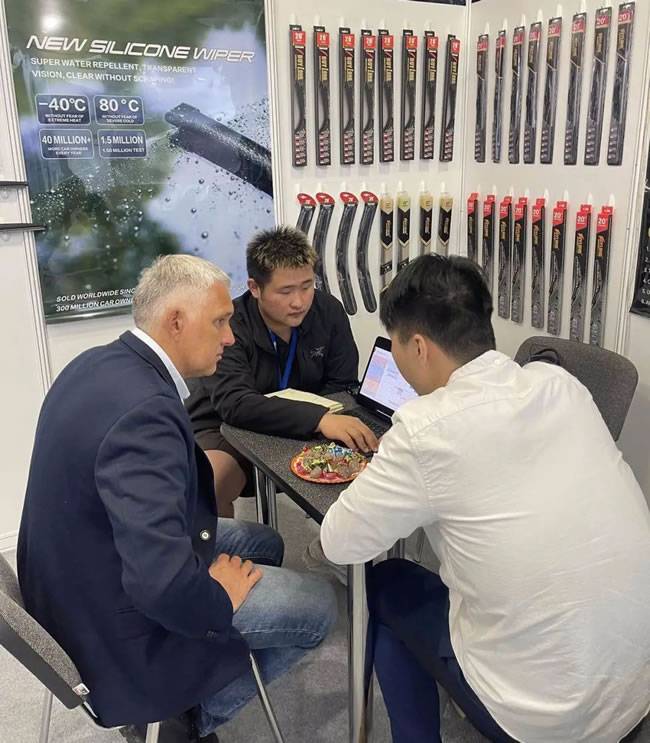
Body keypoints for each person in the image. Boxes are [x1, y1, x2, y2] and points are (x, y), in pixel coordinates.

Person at [320, 254, 650, 743]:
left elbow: (339, 542)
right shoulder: (560, 385)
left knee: (386, 582)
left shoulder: (423, 430)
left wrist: (392, 469)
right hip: (635, 685)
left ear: (418, 346)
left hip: (550, 718)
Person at [18, 255, 337, 741]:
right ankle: (185, 721)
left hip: (73, 574)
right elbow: (159, 583)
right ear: (175, 322)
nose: (230, 337)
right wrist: (219, 597)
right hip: (108, 621)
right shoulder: (144, 413)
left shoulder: (96, 362)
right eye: (220, 322)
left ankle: (208, 673)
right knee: (319, 606)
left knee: (265, 543)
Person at [186, 225, 378, 518]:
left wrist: (320, 425)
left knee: (368, 458)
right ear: (255, 288)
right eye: (285, 291)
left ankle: (338, 534)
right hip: (226, 427)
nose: (299, 301)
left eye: (307, 286)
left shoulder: (328, 311)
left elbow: (342, 384)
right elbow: (235, 403)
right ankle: (224, 545)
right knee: (210, 487)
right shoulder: (229, 325)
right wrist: (318, 419)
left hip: (309, 425)